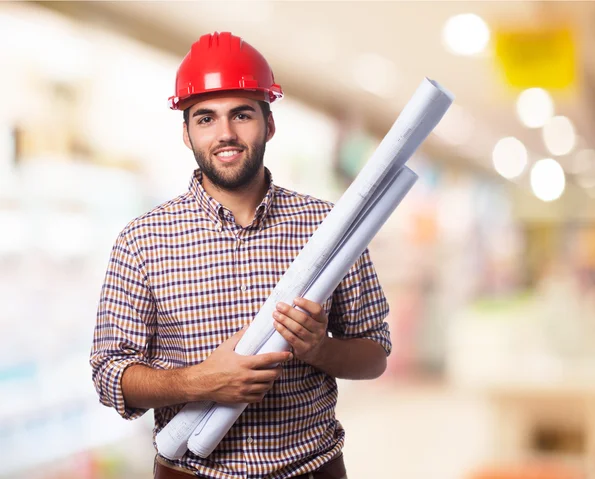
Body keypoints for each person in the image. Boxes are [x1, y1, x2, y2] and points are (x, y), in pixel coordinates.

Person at [90, 32, 391, 479]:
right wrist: (201, 380)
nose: (225, 134)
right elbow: (109, 373)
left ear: (269, 124)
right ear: (187, 132)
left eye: (242, 114)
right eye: (206, 118)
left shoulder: (330, 228)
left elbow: (375, 353)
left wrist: (319, 350)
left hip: (311, 469)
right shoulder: (142, 241)